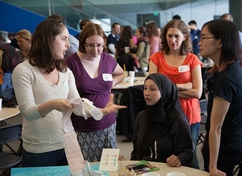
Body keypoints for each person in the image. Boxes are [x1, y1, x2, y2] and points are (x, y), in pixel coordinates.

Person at [12, 18, 125, 167]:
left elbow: (78, 105)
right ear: (48, 39)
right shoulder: (24, 70)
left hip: (68, 143)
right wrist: (53, 104)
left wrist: (102, 112)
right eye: (64, 39)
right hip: (39, 148)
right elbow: (27, 112)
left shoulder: (64, 71)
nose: (68, 44)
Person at [65, 22, 125, 162]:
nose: (95, 49)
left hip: (108, 125)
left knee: (109, 167)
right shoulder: (71, 62)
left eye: (99, 45)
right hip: (82, 127)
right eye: (90, 45)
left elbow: (121, 74)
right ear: (83, 43)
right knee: (85, 168)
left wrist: (110, 86)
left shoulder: (107, 59)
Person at [148, 19, 202, 169]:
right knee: (165, 155)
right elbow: (152, 89)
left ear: (184, 36)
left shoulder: (193, 60)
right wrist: (183, 86)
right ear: (164, 36)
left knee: (189, 155)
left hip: (188, 114)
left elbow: (197, 92)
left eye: (176, 36)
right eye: (169, 36)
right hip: (164, 114)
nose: (173, 40)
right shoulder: (156, 58)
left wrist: (167, 89)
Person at [199, 19, 242, 176]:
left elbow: (217, 128)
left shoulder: (225, 80)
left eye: (204, 38)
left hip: (225, 149)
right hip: (234, 142)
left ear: (220, 42)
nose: (199, 43)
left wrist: (212, 166)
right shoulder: (235, 67)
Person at [131, 73, 193, 167]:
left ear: (164, 92)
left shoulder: (177, 120)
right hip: (144, 172)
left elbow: (187, 152)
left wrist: (178, 159)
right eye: (145, 88)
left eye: (152, 89)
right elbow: (136, 151)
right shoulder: (141, 117)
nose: (146, 93)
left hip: (168, 172)